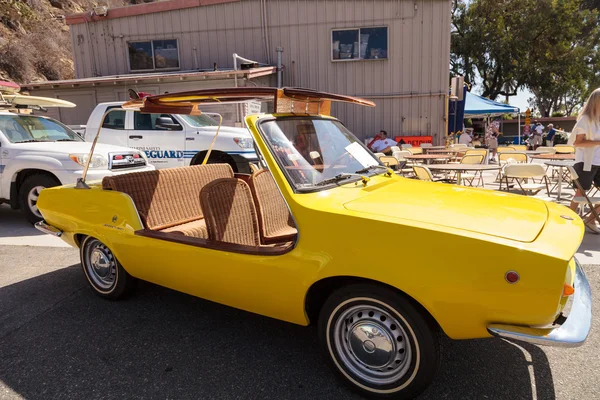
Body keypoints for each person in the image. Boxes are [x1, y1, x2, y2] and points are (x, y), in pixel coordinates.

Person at [569, 88, 600, 233]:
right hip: (586, 162)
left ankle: (590, 219)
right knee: (581, 193)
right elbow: (577, 143)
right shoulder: (585, 119)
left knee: (581, 193)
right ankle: (568, 220)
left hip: (598, 162)